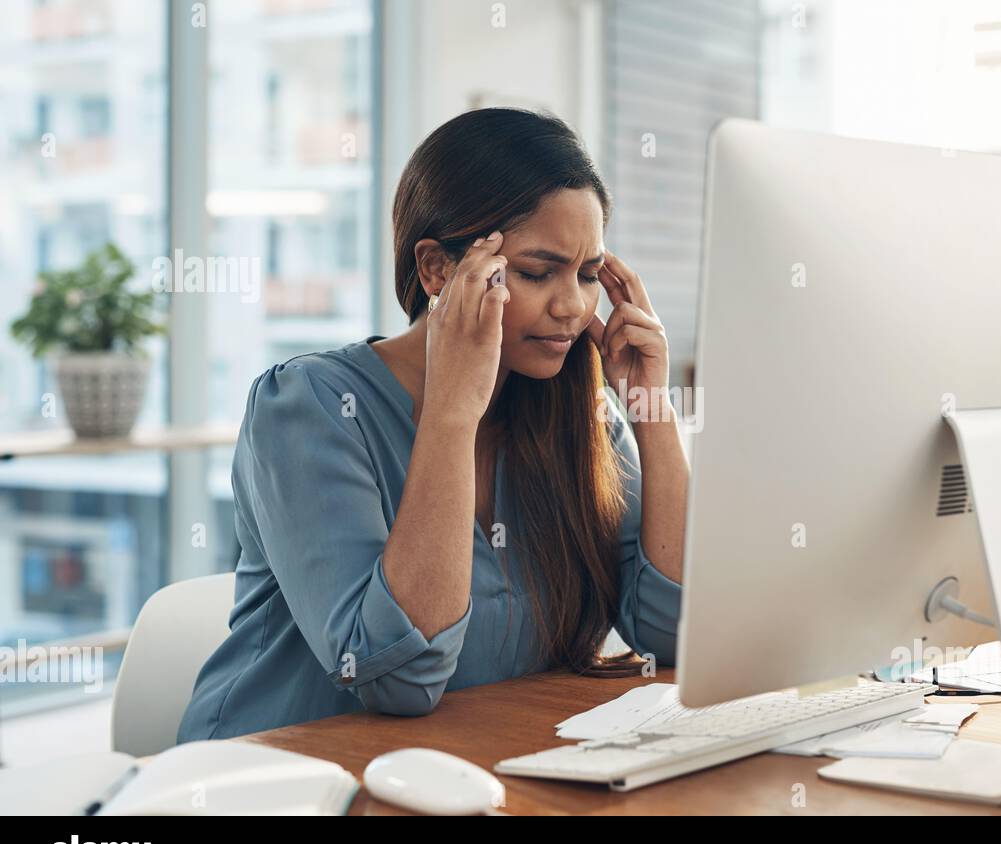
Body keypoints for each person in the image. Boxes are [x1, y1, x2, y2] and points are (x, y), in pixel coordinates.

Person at [178, 108, 689, 741]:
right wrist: (453, 411)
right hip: (277, 780)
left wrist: (651, 409)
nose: (574, 306)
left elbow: (676, 633)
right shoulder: (307, 406)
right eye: (536, 272)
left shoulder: (578, 415)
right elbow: (400, 680)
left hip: (477, 772)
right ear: (437, 270)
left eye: (588, 275)